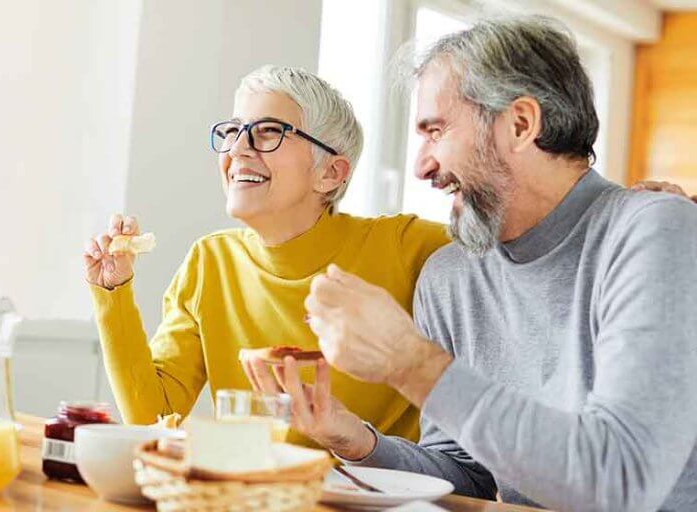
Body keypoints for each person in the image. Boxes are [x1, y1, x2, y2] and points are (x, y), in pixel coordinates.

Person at [268, 16, 697, 511]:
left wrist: (411, 363)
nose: (421, 166)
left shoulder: (656, 232)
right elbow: (464, 475)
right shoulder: (451, 277)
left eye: (436, 131)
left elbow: (620, 480)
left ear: (520, 124)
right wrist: (355, 441)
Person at [81, 65, 450, 451]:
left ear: (330, 173)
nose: (238, 148)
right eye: (232, 132)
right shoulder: (209, 261)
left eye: (268, 132)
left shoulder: (409, 247)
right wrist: (113, 292)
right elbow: (152, 416)